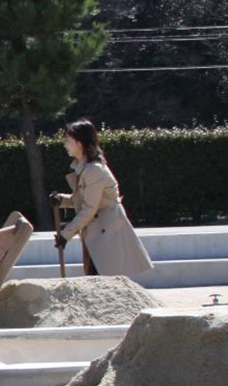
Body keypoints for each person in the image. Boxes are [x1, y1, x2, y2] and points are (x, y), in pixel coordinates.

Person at [50, 119, 152, 277]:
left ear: (79, 143)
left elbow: (89, 208)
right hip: (98, 231)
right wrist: (62, 200)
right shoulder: (83, 167)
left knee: (105, 280)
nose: (65, 144)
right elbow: (83, 200)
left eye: (68, 140)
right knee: (97, 278)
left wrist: (66, 234)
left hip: (107, 232)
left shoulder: (93, 170)